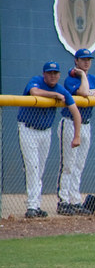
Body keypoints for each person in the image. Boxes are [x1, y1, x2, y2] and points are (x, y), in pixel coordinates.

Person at [17, 61, 82, 218]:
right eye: (50, 73)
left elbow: (75, 112)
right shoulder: (37, 81)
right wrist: (54, 95)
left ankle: (36, 205)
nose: (53, 76)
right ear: (44, 74)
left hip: (45, 132)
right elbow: (34, 92)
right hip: (28, 129)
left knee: (39, 169)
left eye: (55, 73)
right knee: (32, 167)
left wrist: (77, 135)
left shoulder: (61, 89)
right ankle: (32, 206)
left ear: (59, 75)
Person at [59, 48, 95, 215]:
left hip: (86, 124)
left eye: (89, 59)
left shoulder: (94, 79)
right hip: (70, 123)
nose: (87, 62)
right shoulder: (71, 78)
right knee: (68, 164)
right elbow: (82, 92)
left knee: (79, 165)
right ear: (76, 61)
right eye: (83, 59)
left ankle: (75, 200)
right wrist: (81, 75)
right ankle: (63, 201)